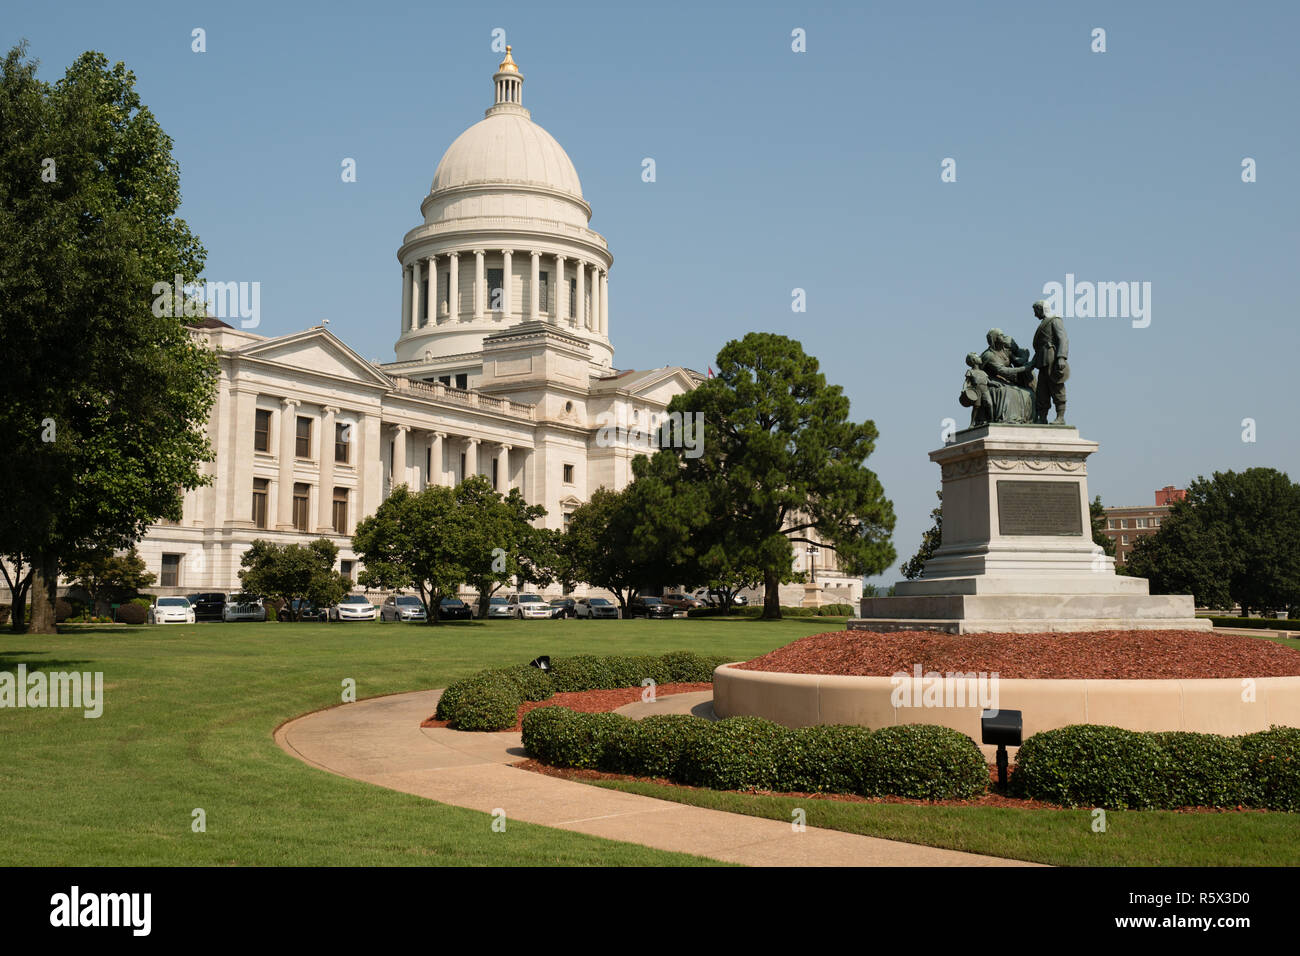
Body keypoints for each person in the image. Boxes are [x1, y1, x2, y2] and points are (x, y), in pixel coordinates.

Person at [1030, 300, 1069, 423]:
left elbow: (1062, 339)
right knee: (1042, 390)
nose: (1035, 314)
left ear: (1041, 309)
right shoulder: (1044, 323)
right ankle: (1043, 417)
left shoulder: (1055, 320)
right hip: (1042, 361)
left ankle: (1060, 417)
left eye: (1036, 311)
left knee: (1056, 387)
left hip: (1052, 360)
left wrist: (1061, 357)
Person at [958, 352, 993, 426]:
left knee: (989, 404)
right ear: (974, 360)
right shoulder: (970, 371)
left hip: (985, 390)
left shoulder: (983, 372)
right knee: (976, 407)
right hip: (976, 391)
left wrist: (996, 384)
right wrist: (963, 389)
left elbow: (989, 382)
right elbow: (966, 382)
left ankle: (991, 420)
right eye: (978, 357)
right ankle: (972, 423)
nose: (980, 358)